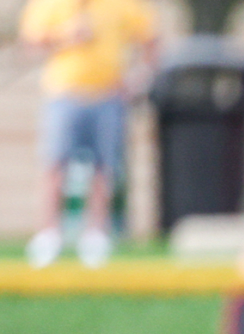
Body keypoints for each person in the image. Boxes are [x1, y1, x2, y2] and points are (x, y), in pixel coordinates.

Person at [17, 0, 158, 269]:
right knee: (55, 166)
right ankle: (48, 235)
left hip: (108, 94)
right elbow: (30, 45)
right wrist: (64, 37)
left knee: (103, 168)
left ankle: (95, 236)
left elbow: (150, 38)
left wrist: (139, 78)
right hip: (63, 93)